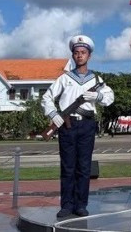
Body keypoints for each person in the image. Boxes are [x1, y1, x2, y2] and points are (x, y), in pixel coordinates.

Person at [42, 34, 114, 219]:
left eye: (83, 52)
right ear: (73, 56)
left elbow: (109, 98)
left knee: (84, 167)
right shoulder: (65, 79)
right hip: (68, 124)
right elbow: (47, 98)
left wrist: (97, 96)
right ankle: (66, 205)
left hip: (87, 125)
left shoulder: (96, 80)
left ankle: (81, 205)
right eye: (76, 53)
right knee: (67, 167)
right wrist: (54, 115)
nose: (79, 55)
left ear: (89, 55)